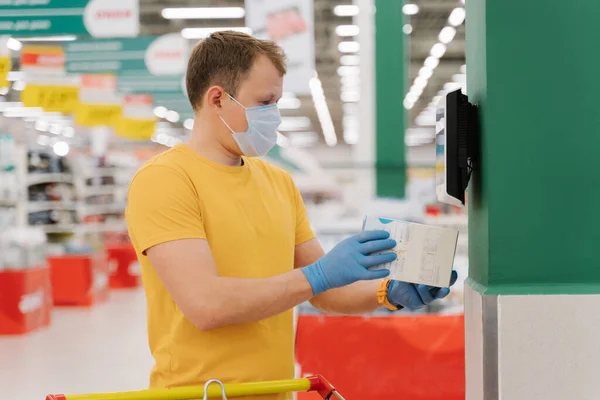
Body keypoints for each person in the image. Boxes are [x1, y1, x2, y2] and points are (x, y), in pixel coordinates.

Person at [125, 31, 457, 399]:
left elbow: (326, 293)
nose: (275, 117)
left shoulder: (278, 182)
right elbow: (207, 304)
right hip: (199, 394)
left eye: (277, 102)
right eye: (265, 101)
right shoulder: (164, 180)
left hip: (279, 391)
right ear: (217, 98)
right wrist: (316, 275)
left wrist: (388, 291)